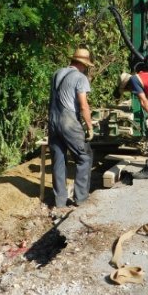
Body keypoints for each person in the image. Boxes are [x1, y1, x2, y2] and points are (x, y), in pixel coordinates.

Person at [48, 48, 95, 208]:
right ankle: (80, 199)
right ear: (83, 64)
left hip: (53, 121)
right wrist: (89, 127)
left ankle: (59, 202)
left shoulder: (57, 73)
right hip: (68, 122)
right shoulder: (80, 78)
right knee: (84, 157)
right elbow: (83, 105)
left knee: (58, 160)